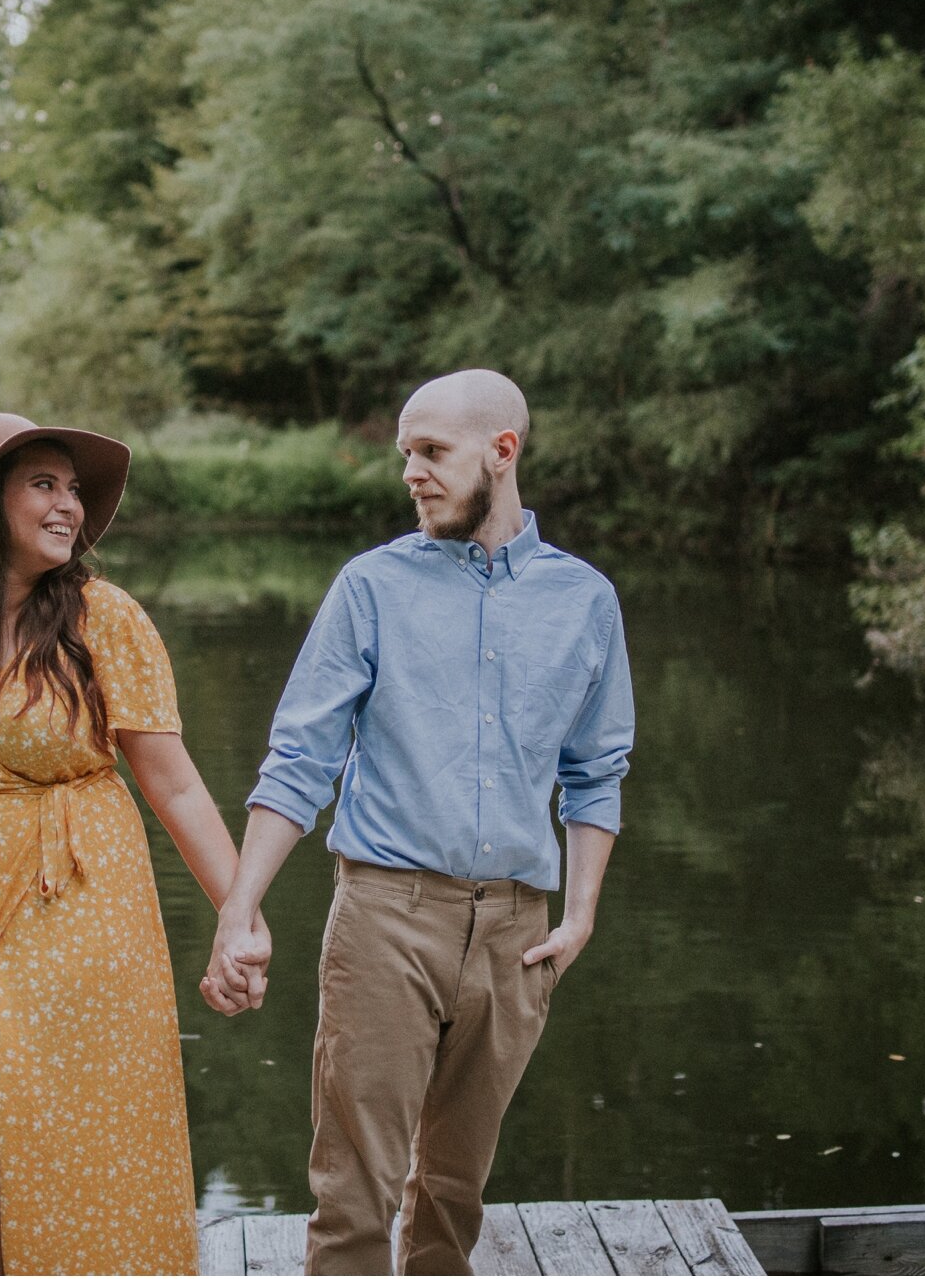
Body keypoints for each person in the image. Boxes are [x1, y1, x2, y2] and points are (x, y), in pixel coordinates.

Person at [204, 369, 636, 1275]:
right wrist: (241, 905)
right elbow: (300, 759)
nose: (412, 471)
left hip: (518, 933)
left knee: (453, 1196)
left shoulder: (586, 601)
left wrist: (582, 914)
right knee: (354, 1194)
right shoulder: (372, 587)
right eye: (407, 453)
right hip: (385, 917)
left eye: (432, 451)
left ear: (502, 451)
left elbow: (595, 773)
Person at [0, 412, 252, 1275]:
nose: (71, 506)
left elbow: (171, 782)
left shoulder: (105, 617)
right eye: (45, 484)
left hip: (75, 895)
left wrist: (239, 913)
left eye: (74, 488)